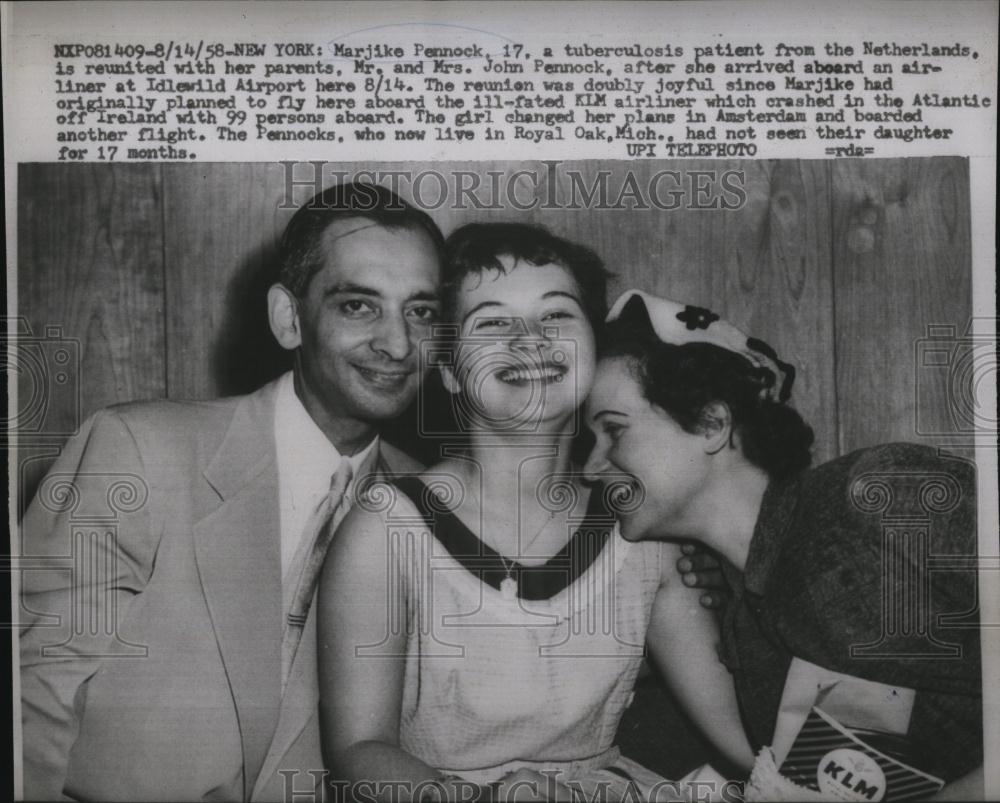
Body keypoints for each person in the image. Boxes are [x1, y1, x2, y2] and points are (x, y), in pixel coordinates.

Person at [18, 182, 444, 802]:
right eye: (358, 306)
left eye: (422, 311)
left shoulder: (428, 509)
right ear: (289, 318)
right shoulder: (138, 451)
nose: (399, 344)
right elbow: (33, 697)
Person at [317, 224, 754, 802]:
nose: (531, 340)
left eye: (556, 316)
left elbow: (745, 741)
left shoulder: (641, 528)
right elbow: (359, 750)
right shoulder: (387, 525)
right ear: (447, 368)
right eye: (493, 322)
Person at [583, 289, 983, 798]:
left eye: (613, 430)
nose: (590, 468)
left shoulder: (874, 493)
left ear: (711, 423)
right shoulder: (743, 629)